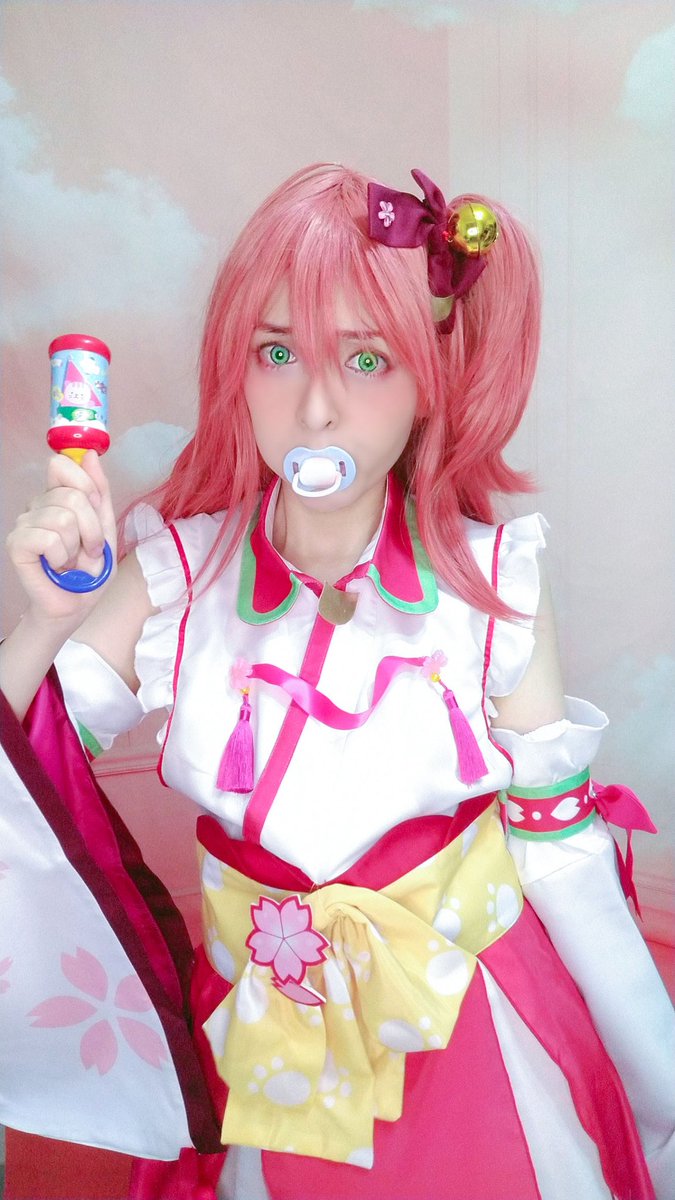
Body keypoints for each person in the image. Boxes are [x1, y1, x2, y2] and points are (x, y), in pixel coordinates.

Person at [1, 163, 673, 1200]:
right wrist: (43, 624)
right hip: (268, 1046)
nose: (316, 408)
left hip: (473, 1028)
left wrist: (653, 1076)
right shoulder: (176, 575)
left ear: (429, 375)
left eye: (367, 358)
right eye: (278, 353)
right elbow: (27, 790)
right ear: (236, 367)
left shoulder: (494, 581)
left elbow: (560, 854)